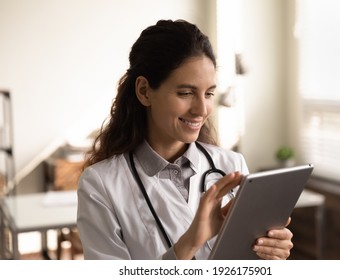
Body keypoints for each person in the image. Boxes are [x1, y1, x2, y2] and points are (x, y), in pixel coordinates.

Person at [77, 19, 293, 260]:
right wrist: (189, 243)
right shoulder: (100, 185)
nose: (202, 109)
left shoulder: (232, 165)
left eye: (209, 93)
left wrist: (270, 254)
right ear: (144, 91)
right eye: (186, 93)